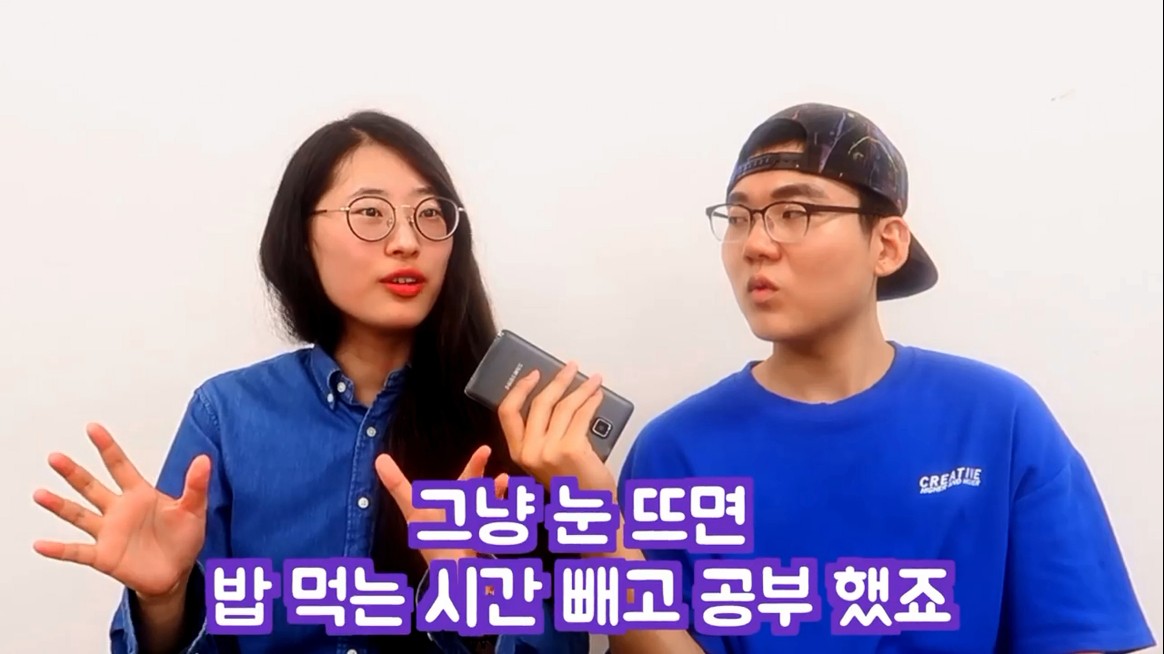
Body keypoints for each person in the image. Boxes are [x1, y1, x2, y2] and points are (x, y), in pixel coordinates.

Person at [505, 102, 1156, 653]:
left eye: (795, 213)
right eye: (738, 217)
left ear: (887, 244)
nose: (756, 244)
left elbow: (1080, 638)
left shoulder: (997, 420)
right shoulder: (675, 452)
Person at [31, 110, 591, 654]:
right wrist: (164, 600)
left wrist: (477, 602)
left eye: (430, 214)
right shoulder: (227, 415)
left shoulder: (519, 430)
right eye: (370, 212)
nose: (406, 241)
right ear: (302, 238)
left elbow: (569, 641)